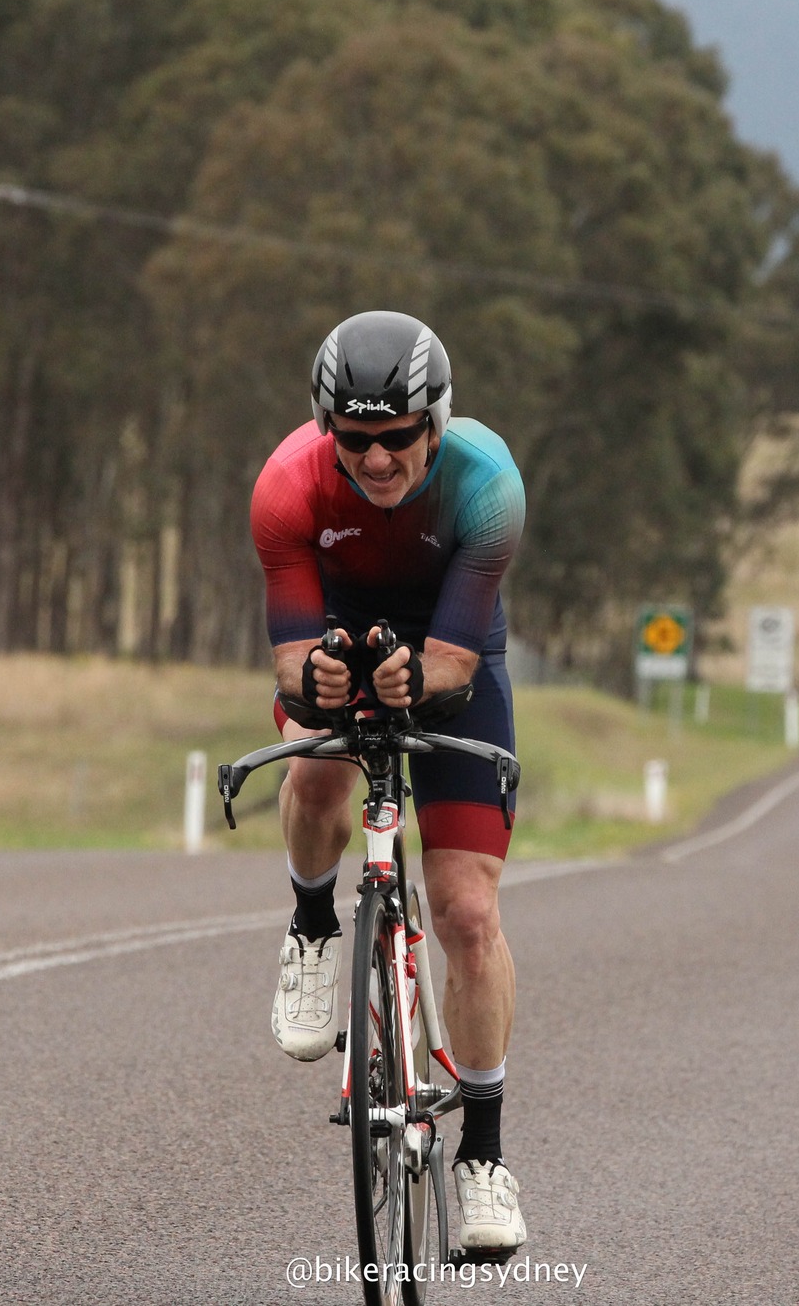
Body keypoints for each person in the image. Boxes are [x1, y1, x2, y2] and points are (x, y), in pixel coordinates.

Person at [250, 310, 529, 1255]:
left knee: (466, 913)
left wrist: (416, 673)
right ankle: (313, 924)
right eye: (355, 438)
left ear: (434, 423)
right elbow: (290, 658)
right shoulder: (286, 486)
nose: (375, 459)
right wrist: (315, 680)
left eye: (397, 437)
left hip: (454, 644)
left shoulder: (488, 486)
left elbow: (450, 662)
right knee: (322, 763)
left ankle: (483, 1157)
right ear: (328, 427)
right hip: (336, 622)